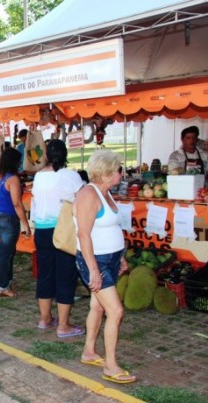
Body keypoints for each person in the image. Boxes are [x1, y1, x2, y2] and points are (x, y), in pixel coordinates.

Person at [74, 150, 136, 384]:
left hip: (108, 259)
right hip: (96, 261)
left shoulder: (105, 193)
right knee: (116, 311)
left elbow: (109, 228)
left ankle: (89, 351)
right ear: (107, 172)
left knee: (98, 307)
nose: (121, 173)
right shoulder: (88, 195)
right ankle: (110, 365)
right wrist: (92, 270)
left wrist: (119, 256)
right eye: (119, 169)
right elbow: (83, 234)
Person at [31, 139, 85, 336]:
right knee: (65, 275)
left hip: (42, 230)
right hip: (63, 231)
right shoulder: (70, 176)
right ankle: (63, 325)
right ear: (65, 155)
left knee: (45, 274)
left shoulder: (38, 176)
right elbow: (82, 199)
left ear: (46, 155)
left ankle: (45, 319)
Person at [0, 147, 31, 298]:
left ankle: (7, 281)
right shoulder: (12, 179)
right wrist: (25, 223)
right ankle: (3, 286)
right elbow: (17, 203)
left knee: (7, 252)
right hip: (8, 219)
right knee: (6, 254)